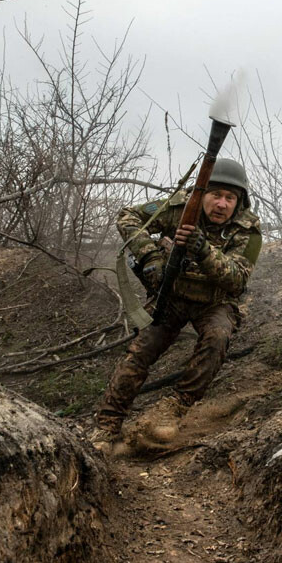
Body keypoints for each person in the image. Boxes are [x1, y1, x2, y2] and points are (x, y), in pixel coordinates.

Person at [94, 158, 261, 449]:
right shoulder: (180, 208)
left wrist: (203, 250)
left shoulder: (248, 230)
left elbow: (236, 280)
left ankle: (175, 406)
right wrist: (149, 255)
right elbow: (128, 216)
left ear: (239, 202)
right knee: (140, 352)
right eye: (215, 194)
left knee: (218, 337)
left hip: (215, 301)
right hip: (172, 296)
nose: (221, 204)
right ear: (203, 193)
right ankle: (107, 426)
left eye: (229, 198)